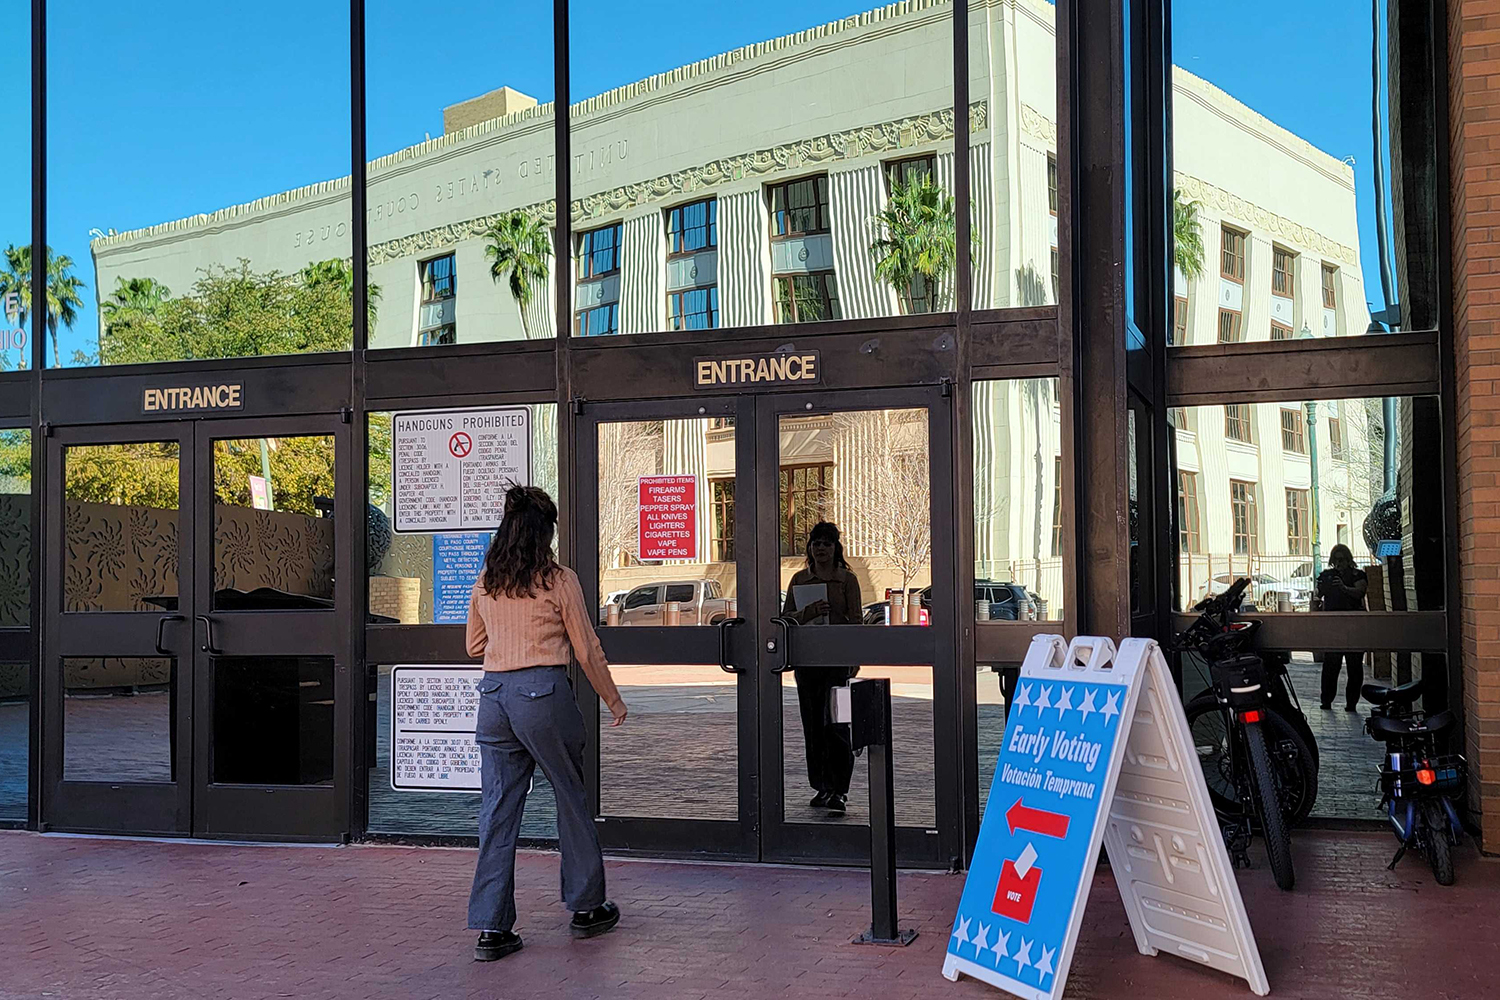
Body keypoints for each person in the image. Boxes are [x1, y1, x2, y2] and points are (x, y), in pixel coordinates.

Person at [465, 485, 628, 962]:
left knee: (497, 810)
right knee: (570, 795)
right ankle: (586, 908)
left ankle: (492, 929)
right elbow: (586, 648)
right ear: (546, 532)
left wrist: (506, 636)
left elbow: (474, 646)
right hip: (542, 694)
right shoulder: (558, 580)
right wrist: (613, 699)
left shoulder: (488, 580)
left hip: (493, 698)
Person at [781, 521, 862, 815]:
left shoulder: (847, 580)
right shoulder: (799, 579)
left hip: (837, 662)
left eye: (827, 543)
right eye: (816, 543)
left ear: (835, 547)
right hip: (808, 664)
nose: (821, 549)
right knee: (813, 726)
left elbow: (857, 621)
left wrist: (854, 658)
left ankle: (840, 789)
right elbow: (785, 620)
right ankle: (822, 785)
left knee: (836, 725)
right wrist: (809, 612)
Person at [1315, 543, 1369, 712]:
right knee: (1331, 666)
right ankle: (1326, 700)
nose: (1339, 563)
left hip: (1354, 626)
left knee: (1354, 667)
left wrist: (1343, 588)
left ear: (1348, 559)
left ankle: (1351, 703)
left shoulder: (1357, 575)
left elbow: (1360, 592)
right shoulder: (1328, 575)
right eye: (1336, 560)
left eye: (1342, 559)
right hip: (1333, 626)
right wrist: (1322, 586)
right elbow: (1318, 594)